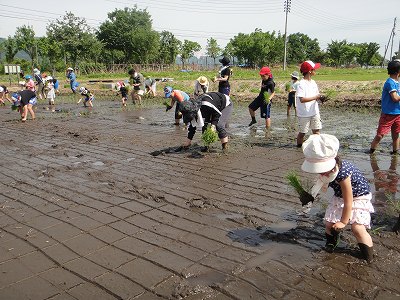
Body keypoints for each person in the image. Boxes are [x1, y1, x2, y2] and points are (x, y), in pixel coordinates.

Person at [301, 134, 374, 263]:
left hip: (358, 197)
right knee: (329, 224)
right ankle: (331, 243)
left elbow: (349, 200)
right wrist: (310, 196)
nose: (321, 173)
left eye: (323, 169)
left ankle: (368, 257)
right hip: (340, 196)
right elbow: (320, 183)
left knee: (357, 228)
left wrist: (344, 222)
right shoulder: (327, 171)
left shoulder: (343, 172)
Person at [368, 60, 400, 155]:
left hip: (397, 113)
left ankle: (395, 152)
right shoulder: (390, 82)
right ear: (398, 72)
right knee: (380, 135)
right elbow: (395, 98)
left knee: (396, 134)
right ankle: (371, 151)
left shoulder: (396, 82)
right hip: (388, 113)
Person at [295, 60, 325, 148]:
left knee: (316, 131)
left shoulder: (313, 82)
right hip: (304, 113)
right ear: (309, 71)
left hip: (314, 111)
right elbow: (302, 99)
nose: (315, 71)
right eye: (314, 69)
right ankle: (299, 147)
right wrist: (316, 97)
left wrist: (320, 98)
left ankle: (317, 148)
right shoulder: (301, 84)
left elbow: (316, 96)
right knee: (302, 133)